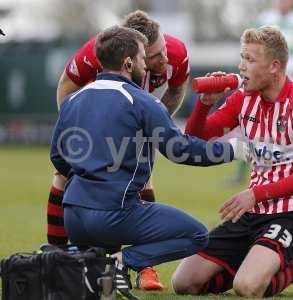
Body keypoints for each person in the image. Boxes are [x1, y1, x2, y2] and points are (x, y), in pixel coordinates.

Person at [50, 25, 236, 300]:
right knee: (196, 235)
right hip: (114, 214)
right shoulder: (142, 101)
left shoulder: (74, 100)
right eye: (140, 59)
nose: (145, 67)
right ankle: (122, 263)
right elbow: (180, 151)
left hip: (74, 218)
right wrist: (234, 150)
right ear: (127, 63)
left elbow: (58, 157)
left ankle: (97, 266)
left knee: (99, 292)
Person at [171, 26, 293, 298]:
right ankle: (258, 261)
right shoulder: (242, 99)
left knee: (247, 287)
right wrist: (205, 104)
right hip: (252, 211)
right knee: (185, 283)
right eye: (242, 58)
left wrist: (255, 194)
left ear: (274, 66)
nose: (241, 66)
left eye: (250, 59)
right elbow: (195, 138)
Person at [46, 10, 189, 290]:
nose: (166, 57)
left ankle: (144, 267)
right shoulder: (97, 50)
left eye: (164, 49)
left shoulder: (175, 52)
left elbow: (176, 90)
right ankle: (57, 260)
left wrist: (154, 126)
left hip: (136, 115)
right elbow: (66, 86)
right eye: (157, 54)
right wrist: (78, 134)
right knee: (62, 176)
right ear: (134, 55)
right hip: (98, 117)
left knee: (142, 178)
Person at [231, 0, 293, 185]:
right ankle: (243, 172)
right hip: (266, 80)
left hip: (292, 80)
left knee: (286, 129)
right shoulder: (265, 19)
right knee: (252, 126)